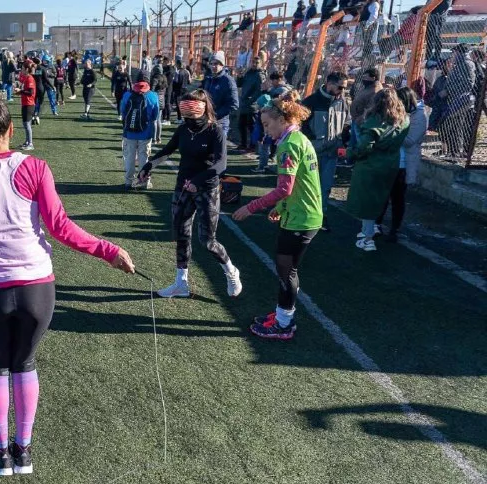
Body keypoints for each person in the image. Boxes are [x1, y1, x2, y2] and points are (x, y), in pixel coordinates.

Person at [0, 86, 135, 477]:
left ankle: (1, 453)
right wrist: (109, 251)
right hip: (37, 289)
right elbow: (61, 227)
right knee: (25, 363)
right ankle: (24, 450)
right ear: (12, 128)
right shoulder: (36, 167)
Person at [231, 93, 322, 340]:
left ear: (282, 120)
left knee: (286, 271)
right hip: (302, 214)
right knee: (287, 270)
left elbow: (285, 188)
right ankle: (284, 315)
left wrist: (251, 207)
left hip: (301, 219)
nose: (265, 130)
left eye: (267, 124)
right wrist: (280, 208)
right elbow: (300, 184)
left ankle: (284, 324)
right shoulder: (298, 138)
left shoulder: (289, 144)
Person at [135, 90, 242, 299]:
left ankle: (231, 270)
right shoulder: (183, 129)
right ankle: (180, 283)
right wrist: (148, 166)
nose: (186, 115)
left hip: (206, 189)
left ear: (202, 108)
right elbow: (167, 150)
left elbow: (221, 164)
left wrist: (198, 181)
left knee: (207, 240)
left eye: (190, 109)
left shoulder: (215, 131)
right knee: (181, 234)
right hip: (183, 188)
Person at [346, 87, 409, 252]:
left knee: (367, 202)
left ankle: (368, 238)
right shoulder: (403, 120)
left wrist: (350, 152)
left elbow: (364, 146)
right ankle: (369, 231)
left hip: (372, 165)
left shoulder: (376, 121)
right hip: (391, 164)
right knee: (378, 200)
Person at [376, 86, 427, 242]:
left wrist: (390, 134)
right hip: (391, 160)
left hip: (404, 164)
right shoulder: (400, 113)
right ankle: (376, 224)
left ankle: (395, 228)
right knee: (382, 195)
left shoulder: (420, 116)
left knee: (397, 198)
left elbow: (411, 141)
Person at [301, 71, 350, 230]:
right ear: (329, 84)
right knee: (308, 185)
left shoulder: (343, 103)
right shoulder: (310, 101)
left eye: (344, 88)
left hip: (332, 152)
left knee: (326, 186)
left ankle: (320, 216)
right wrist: (312, 140)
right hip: (313, 151)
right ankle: (305, 213)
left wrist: (342, 142)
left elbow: (346, 124)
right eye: (340, 87)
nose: (342, 91)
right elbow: (301, 124)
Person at [120, 73, 160, 190]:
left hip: (129, 132)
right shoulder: (153, 95)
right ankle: (144, 182)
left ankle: (129, 181)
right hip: (146, 132)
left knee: (130, 157)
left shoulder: (128, 94)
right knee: (144, 157)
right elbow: (155, 115)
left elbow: (123, 111)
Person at [201, 52, 239, 140]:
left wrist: (215, 115)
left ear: (222, 65)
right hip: (207, 121)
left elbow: (234, 104)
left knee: (219, 151)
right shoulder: (208, 79)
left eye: (216, 64)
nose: (213, 66)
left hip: (221, 123)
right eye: (212, 63)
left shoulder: (228, 81)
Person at [350, 67, 382, 152]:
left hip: (361, 122)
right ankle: (351, 159)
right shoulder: (369, 87)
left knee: (360, 144)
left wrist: (359, 120)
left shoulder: (375, 91)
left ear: (373, 78)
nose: (363, 79)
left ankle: (355, 159)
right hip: (356, 119)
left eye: (366, 77)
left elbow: (370, 108)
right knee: (353, 143)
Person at [239, 56, 267, 151]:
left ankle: (252, 146)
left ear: (261, 64)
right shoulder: (248, 73)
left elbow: (260, 91)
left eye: (257, 63)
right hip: (244, 103)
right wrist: (239, 76)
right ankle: (243, 144)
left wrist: (251, 100)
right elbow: (239, 84)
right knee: (241, 125)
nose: (254, 64)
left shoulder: (260, 75)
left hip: (252, 105)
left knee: (252, 127)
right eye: (253, 62)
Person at [17, 60, 36, 150]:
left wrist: (21, 91)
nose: (21, 70)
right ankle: (27, 141)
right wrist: (19, 92)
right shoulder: (25, 78)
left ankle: (30, 144)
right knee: (25, 124)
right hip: (25, 103)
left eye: (23, 68)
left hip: (29, 104)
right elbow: (25, 92)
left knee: (27, 124)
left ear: (26, 69)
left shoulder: (30, 78)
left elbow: (30, 92)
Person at [426, 0, 452, 66]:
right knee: (429, 39)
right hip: (431, 18)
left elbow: (445, 6)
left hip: (438, 18)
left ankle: (436, 56)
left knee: (436, 37)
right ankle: (428, 56)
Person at [150, 58, 166, 141]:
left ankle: (154, 138)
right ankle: (159, 138)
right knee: (159, 120)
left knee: (154, 120)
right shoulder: (164, 78)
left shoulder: (155, 79)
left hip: (155, 101)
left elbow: (152, 91)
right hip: (162, 100)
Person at [162, 57, 175, 125]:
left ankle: (168, 119)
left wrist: (164, 85)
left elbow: (169, 80)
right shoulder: (166, 68)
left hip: (168, 89)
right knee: (164, 103)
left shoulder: (170, 69)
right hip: (165, 88)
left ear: (167, 61)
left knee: (167, 103)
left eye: (163, 62)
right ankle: (164, 118)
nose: (162, 63)